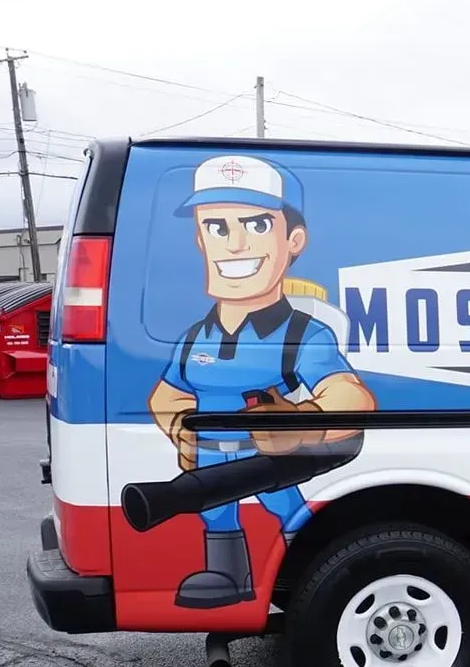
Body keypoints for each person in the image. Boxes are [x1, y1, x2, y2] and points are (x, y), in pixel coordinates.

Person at [147, 155, 375, 609]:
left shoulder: (302, 334)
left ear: (293, 241)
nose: (234, 244)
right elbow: (167, 393)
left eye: (255, 225)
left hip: (267, 459)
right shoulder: (196, 335)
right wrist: (181, 430)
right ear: (199, 239)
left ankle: (309, 571)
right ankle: (227, 574)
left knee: (286, 507)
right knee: (215, 512)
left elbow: (351, 394)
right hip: (210, 458)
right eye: (217, 228)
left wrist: (303, 422)